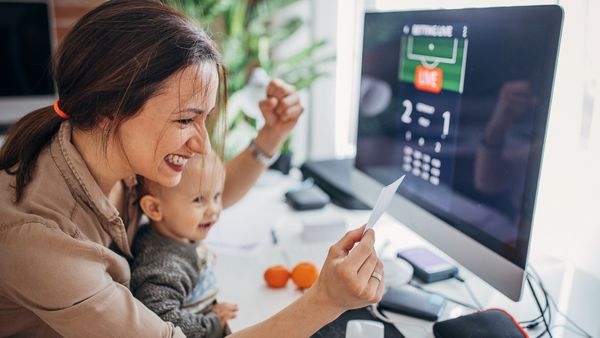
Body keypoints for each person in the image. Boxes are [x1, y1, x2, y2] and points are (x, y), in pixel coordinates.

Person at [0, 1, 385, 337]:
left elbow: (193, 196)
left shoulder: (111, 148)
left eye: (205, 119)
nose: (201, 143)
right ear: (109, 111)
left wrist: (270, 138)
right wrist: (326, 301)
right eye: (185, 120)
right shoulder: (39, 239)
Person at [131, 153, 236, 338]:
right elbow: (161, 318)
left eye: (217, 196)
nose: (213, 209)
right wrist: (212, 324)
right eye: (198, 200)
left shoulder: (178, 233)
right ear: (154, 209)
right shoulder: (165, 265)